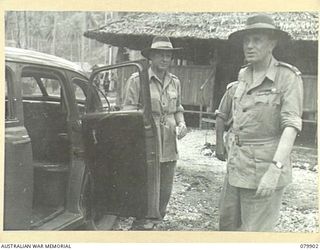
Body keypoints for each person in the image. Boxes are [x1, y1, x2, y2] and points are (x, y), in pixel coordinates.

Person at [217, 14, 303, 231]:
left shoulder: (287, 77)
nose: (249, 46)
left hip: (265, 169)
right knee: (227, 228)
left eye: (257, 40)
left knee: (255, 234)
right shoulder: (243, 74)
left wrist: (274, 171)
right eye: (246, 41)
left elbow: (291, 126)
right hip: (236, 167)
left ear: (272, 43)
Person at [123, 36, 187, 230]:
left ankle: (157, 220)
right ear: (151, 56)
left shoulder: (175, 82)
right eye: (160, 54)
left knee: (165, 186)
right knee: (146, 184)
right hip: (148, 140)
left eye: (168, 55)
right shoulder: (137, 80)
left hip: (168, 141)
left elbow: (178, 108)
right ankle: (141, 222)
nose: (165, 59)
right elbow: (128, 110)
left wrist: (182, 124)